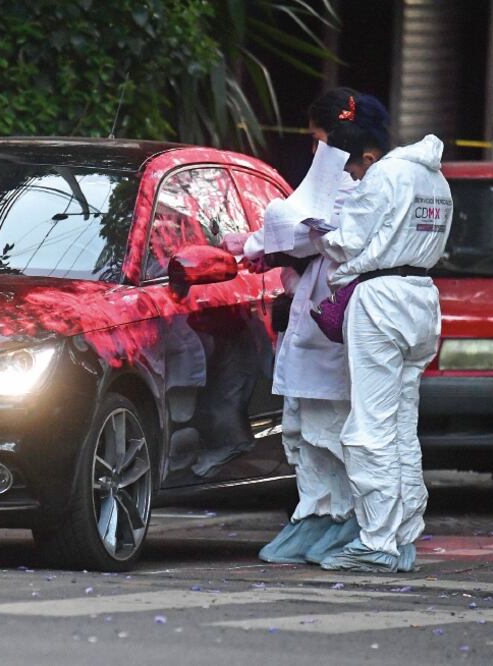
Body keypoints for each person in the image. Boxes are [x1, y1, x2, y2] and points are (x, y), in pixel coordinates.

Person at [222, 88, 368, 565]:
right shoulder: (336, 185)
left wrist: (253, 244)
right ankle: (316, 511)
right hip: (312, 317)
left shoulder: (352, 186)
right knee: (304, 429)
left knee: (329, 430)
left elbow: (298, 228)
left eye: (317, 138)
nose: (313, 149)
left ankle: (343, 515)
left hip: (334, 324)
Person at [313, 97, 453, 573]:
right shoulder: (434, 177)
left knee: (369, 427)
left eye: (351, 171)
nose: (352, 181)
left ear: (366, 158)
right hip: (422, 297)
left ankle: (375, 543)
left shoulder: (383, 177)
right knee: (401, 429)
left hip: (381, 299)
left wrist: (318, 233)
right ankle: (403, 536)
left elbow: (347, 241)